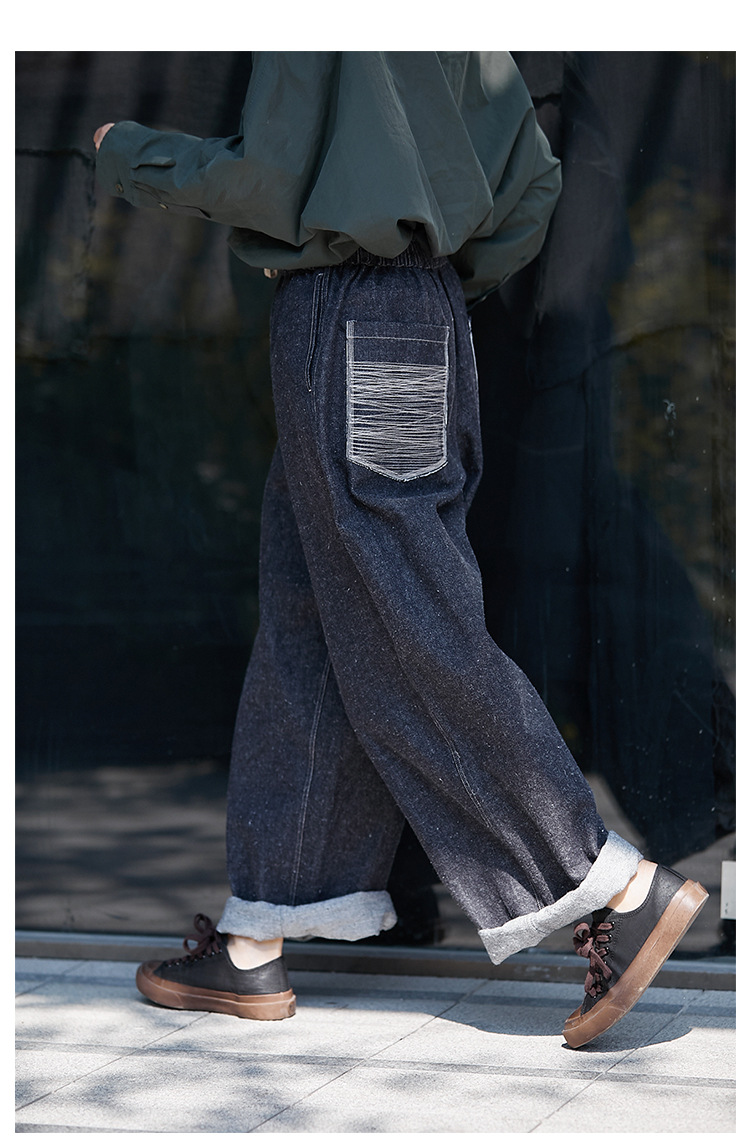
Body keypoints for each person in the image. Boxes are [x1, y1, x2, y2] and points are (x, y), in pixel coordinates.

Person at [93, 51, 707, 1049]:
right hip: (426, 312)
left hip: (343, 310)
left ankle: (612, 881)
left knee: (401, 613)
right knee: (316, 615)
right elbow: (534, 182)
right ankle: (256, 937)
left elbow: (268, 177)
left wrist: (126, 151)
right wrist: (431, 279)